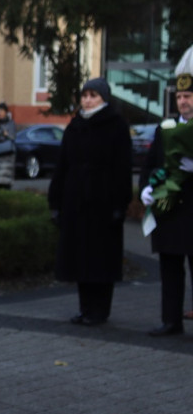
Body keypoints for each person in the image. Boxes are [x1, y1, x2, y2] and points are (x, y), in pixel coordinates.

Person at [47, 78, 131, 326]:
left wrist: (120, 204)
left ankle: (100, 310)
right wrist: (56, 201)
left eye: (93, 95)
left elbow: (122, 168)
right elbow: (62, 165)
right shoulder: (75, 126)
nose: (87, 100)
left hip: (103, 202)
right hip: (76, 202)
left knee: (101, 260)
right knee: (80, 259)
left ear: (104, 98)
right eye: (85, 95)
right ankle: (85, 308)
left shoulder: (115, 125)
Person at [139, 44, 193, 336]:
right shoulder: (165, 128)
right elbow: (149, 165)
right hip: (170, 212)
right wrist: (146, 189)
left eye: (188, 96)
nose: (182, 101)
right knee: (170, 269)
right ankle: (171, 320)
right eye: (180, 96)